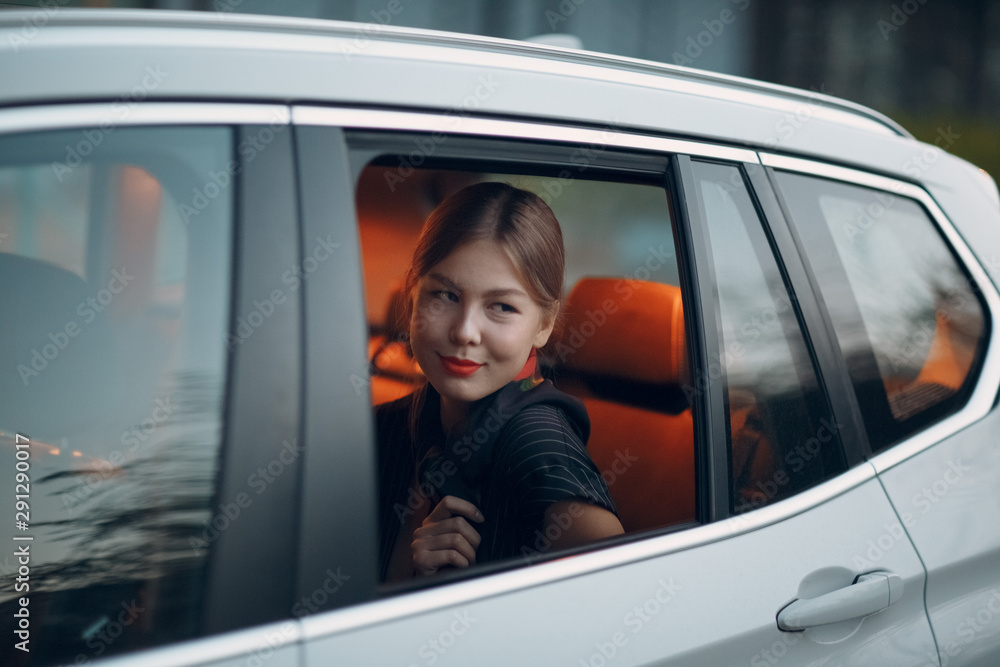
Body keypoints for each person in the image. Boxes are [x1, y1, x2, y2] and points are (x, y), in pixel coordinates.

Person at [376, 181, 623, 583]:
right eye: (445, 295)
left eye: (502, 306)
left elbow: (617, 597)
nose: (465, 332)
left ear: (543, 324)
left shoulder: (538, 447)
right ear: (411, 299)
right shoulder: (389, 425)